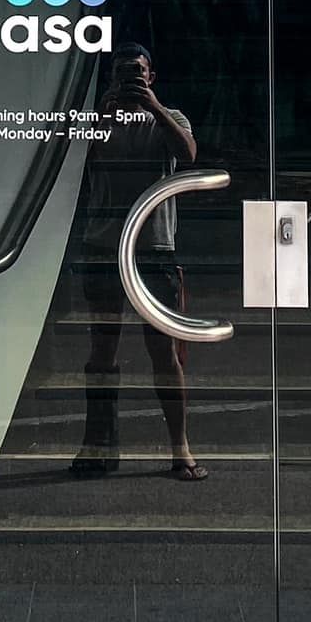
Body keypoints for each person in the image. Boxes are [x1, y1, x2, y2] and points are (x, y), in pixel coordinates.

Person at [70, 42, 207, 482]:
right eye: (122, 71)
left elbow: (187, 155)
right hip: (104, 246)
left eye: (138, 71)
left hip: (154, 249)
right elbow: (78, 162)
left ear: (151, 77)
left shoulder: (171, 116)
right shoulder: (99, 119)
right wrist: (109, 110)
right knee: (102, 352)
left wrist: (153, 107)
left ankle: (180, 448)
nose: (131, 78)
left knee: (164, 352)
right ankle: (98, 447)